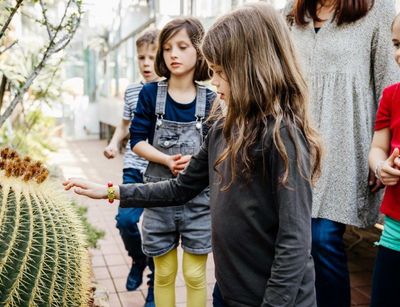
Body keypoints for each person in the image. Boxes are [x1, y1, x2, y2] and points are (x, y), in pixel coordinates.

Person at [63, 3, 323, 306]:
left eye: (222, 72)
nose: (214, 81)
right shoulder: (223, 127)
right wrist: (111, 191)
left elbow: (294, 242)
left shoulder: (284, 136)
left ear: (252, 70)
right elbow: (180, 188)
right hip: (230, 292)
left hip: (274, 299)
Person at [283, 1, 400, 306]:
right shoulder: (292, 12)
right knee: (295, 243)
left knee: (321, 239)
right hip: (294, 145)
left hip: (347, 146)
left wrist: (383, 155)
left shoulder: (381, 11)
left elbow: (391, 83)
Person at [126, 17, 216, 307]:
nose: (173, 54)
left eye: (182, 46)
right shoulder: (151, 93)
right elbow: (137, 139)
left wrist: (197, 161)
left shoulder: (212, 99)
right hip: (159, 198)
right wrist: (166, 159)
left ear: (199, 51)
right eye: (167, 48)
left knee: (194, 274)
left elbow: (217, 149)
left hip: (199, 201)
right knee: (164, 274)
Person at [103, 28, 159, 306]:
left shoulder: (171, 90)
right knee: (125, 220)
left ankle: (153, 288)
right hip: (134, 168)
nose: (146, 63)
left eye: (152, 57)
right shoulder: (132, 90)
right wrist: (114, 143)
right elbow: (125, 124)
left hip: (162, 174)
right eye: (141, 57)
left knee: (156, 231)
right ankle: (138, 261)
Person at [368, 13, 400, 307]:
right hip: (395, 229)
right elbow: (378, 147)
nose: (399, 53)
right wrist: (381, 167)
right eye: (397, 43)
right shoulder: (391, 96)